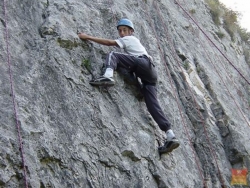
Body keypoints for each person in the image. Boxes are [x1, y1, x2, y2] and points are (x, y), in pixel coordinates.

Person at [78, 18, 179, 155]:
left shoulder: (130, 39)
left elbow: (109, 43)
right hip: (150, 73)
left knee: (113, 55)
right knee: (152, 105)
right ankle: (170, 135)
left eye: (124, 30)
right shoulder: (136, 44)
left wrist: (87, 37)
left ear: (131, 32)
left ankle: (108, 75)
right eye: (120, 31)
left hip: (142, 64)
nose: (122, 33)